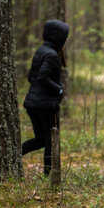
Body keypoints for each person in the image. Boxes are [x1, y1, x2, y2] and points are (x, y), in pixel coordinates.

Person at [22, 19, 69, 175]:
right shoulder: (52, 55)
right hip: (45, 105)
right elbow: (42, 77)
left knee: (41, 140)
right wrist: (59, 90)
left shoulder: (41, 51)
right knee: (50, 140)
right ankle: (50, 175)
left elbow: (31, 77)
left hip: (32, 103)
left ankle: (12, 155)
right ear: (59, 38)